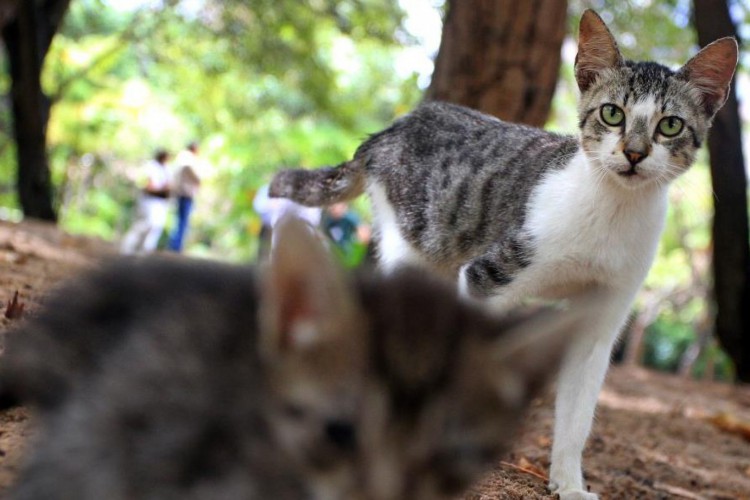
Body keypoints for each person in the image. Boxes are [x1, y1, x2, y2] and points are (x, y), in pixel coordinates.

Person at [120, 149, 172, 254]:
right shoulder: (151, 167)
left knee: (157, 226)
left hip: (160, 202)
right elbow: (149, 187)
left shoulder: (166, 168)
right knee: (146, 224)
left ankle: (145, 251)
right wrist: (163, 189)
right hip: (149, 200)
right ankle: (127, 248)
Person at [168, 141, 203, 252]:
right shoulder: (187, 157)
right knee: (182, 221)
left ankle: (176, 246)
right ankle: (175, 247)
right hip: (184, 194)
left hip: (183, 193)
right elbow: (190, 171)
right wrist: (198, 179)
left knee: (181, 221)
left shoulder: (182, 157)